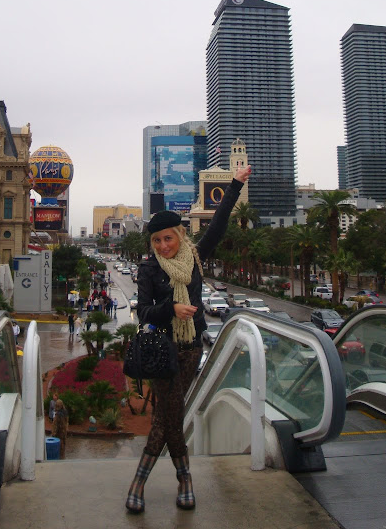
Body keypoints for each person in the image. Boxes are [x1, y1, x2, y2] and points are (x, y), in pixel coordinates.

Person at [125, 164, 252, 514]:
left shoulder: (195, 259)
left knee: (168, 416)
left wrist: (234, 185)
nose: (163, 245)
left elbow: (219, 224)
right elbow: (144, 311)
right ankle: (179, 480)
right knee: (169, 418)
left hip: (191, 348)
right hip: (161, 351)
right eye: (157, 240)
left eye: (168, 238)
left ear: (180, 235)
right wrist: (172, 308)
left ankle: (145, 483)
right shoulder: (149, 269)